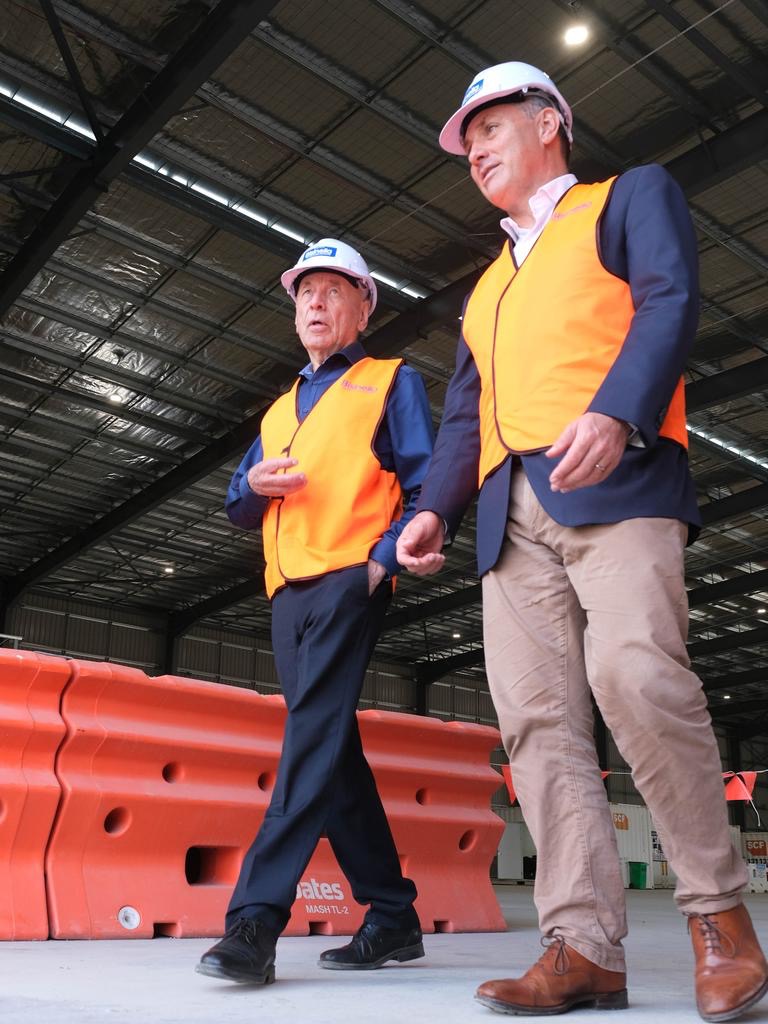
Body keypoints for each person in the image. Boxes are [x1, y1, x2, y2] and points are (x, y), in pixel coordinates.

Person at [396, 62, 768, 1022]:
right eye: (464, 139)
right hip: (507, 518)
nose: (473, 148)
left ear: (550, 122)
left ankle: (720, 917)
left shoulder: (625, 197)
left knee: (637, 677)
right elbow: (464, 418)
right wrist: (432, 508)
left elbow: (670, 299)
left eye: (490, 125)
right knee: (535, 726)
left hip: (619, 477)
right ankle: (581, 946)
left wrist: (618, 412)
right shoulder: (482, 292)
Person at [197, 238, 433, 985]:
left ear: (365, 305)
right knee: (330, 749)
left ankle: (255, 922)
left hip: (347, 581)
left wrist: (381, 561)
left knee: (307, 743)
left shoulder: (390, 382)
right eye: (306, 293)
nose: (317, 304)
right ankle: (392, 915)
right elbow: (238, 500)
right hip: (286, 591)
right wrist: (253, 487)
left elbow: (428, 483)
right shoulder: (275, 410)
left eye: (334, 291)